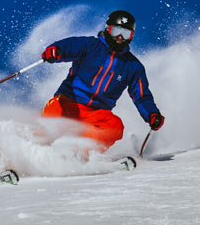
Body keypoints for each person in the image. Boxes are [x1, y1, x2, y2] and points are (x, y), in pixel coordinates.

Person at [41, 10, 164, 154]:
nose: (119, 37)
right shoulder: (90, 46)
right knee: (50, 123)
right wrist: (56, 51)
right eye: (116, 31)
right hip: (68, 103)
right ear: (108, 29)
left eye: (125, 34)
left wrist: (152, 114)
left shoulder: (133, 66)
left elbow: (141, 96)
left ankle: (82, 153)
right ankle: (32, 152)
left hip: (96, 114)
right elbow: (71, 46)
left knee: (115, 126)